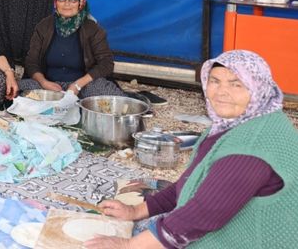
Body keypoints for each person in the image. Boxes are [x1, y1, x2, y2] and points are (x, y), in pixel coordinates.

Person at [86, 50, 298, 249]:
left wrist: (126, 245)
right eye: (215, 81)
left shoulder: (251, 146)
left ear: (258, 88)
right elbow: (192, 182)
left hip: (253, 240)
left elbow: (201, 216)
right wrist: (134, 211)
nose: (221, 92)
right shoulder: (242, 122)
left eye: (236, 84)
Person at [17, 0, 124, 98]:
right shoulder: (44, 26)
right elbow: (31, 62)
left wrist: (78, 85)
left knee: (107, 95)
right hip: (49, 85)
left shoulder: (92, 28)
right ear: (55, 2)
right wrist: (44, 82)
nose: (66, 3)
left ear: (81, 2)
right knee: (19, 92)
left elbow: (106, 63)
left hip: (83, 86)